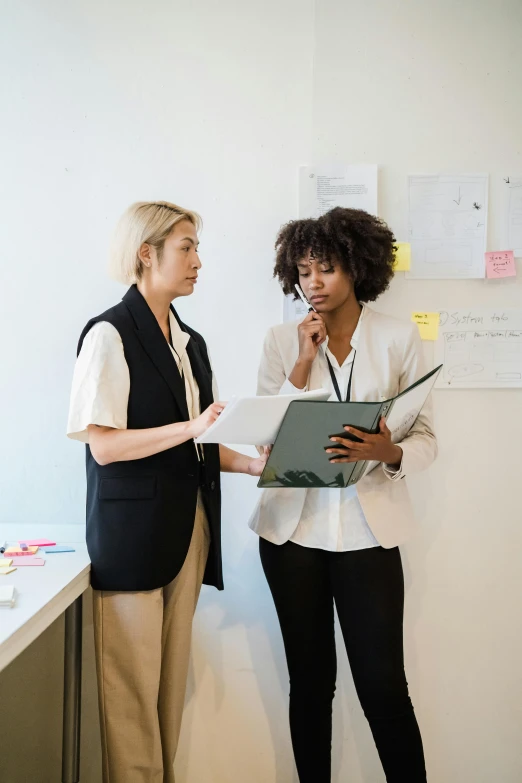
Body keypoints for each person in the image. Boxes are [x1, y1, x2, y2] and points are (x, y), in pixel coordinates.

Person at [67, 200, 267, 783]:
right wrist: (193, 427)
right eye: (187, 248)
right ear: (146, 254)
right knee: (130, 699)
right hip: (130, 540)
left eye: (197, 248)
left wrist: (254, 464)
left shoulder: (190, 341)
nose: (199, 261)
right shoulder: (108, 334)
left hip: (189, 529)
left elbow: (199, 444)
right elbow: (103, 445)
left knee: (167, 693)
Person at [249, 207, 437, 783]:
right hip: (292, 535)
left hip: (368, 531)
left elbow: (425, 436)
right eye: (303, 270)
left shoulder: (400, 337)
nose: (314, 282)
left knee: (383, 684)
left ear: (357, 266)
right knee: (310, 683)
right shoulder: (283, 341)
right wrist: (303, 364)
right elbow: (261, 434)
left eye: (326, 268)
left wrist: (388, 453)